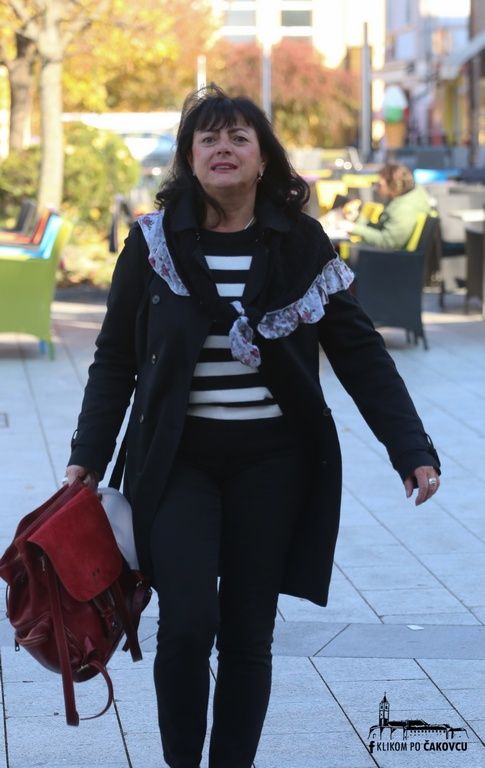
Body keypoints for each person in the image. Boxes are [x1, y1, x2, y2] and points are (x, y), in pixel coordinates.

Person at [65, 85, 441, 768]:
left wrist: (410, 448)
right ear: (188, 157)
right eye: (208, 138)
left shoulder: (299, 243)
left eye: (240, 137)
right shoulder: (152, 244)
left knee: (247, 633)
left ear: (264, 158)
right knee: (187, 623)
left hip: (273, 464)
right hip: (176, 461)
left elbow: (358, 351)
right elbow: (115, 358)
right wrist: (87, 454)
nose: (223, 148)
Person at [337, 163, 432, 249]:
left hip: (391, 258)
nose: (376, 188)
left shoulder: (404, 209)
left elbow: (388, 242)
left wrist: (354, 228)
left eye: (379, 185)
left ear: (393, 185)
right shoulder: (409, 195)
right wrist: (358, 222)